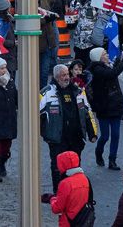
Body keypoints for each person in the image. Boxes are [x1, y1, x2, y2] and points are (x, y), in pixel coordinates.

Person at [40, 63, 99, 193]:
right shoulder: (46, 93)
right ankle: (58, 192)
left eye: (67, 74)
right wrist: (45, 132)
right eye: (63, 75)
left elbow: (87, 111)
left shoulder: (78, 91)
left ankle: (74, 191)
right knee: (57, 166)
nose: (67, 77)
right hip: (57, 138)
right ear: (56, 77)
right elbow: (35, 115)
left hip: (76, 137)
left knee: (75, 165)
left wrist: (92, 133)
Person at [88, 46, 123, 170]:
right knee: (105, 136)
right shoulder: (97, 69)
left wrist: (120, 59)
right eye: (104, 54)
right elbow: (112, 74)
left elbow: (113, 70)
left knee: (115, 135)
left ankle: (112, 160)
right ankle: (98, 152)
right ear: (98, 57)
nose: (107, 55)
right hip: (104, 107)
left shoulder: (106, 66)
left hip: (115, 105)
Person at [50, 151, 93, 227]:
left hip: (69, 222)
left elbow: (57, 208)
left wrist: (52, 199)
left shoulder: (65, 183)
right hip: (84, 220)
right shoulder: (85, 179)